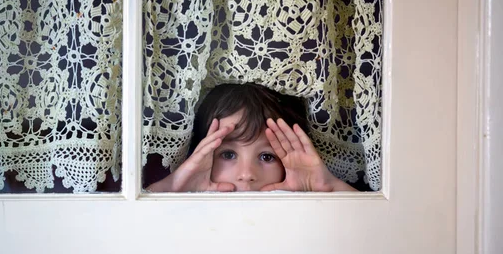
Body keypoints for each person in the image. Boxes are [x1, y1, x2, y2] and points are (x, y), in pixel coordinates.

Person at [146, 83, 356, 192]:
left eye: (267, 157)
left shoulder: (294, 201)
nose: (246, 175)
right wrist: (172, 187)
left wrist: (325, 186)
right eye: (228, 154)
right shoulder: (194, 200)